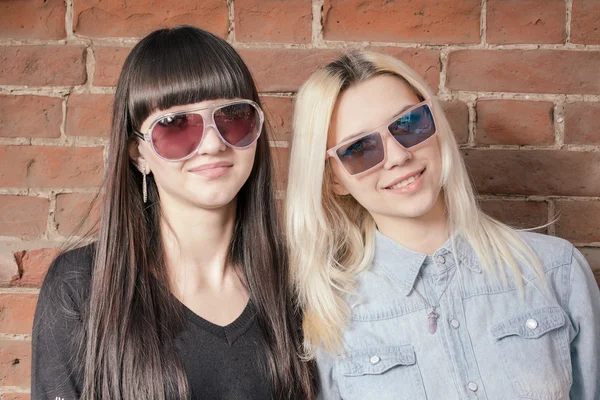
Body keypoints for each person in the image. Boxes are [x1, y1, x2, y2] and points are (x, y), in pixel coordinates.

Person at [286, 50, 600, 399]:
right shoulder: (329, 318)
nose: (399, 156)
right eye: (359, 148)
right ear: (334, 180)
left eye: (408, 124)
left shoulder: (556, 270)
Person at [32, 26, 315, 400]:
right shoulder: (82, 288)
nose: (214, 143)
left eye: (232, 117)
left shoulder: (299, 283)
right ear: (138, 154)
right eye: (176, 126)